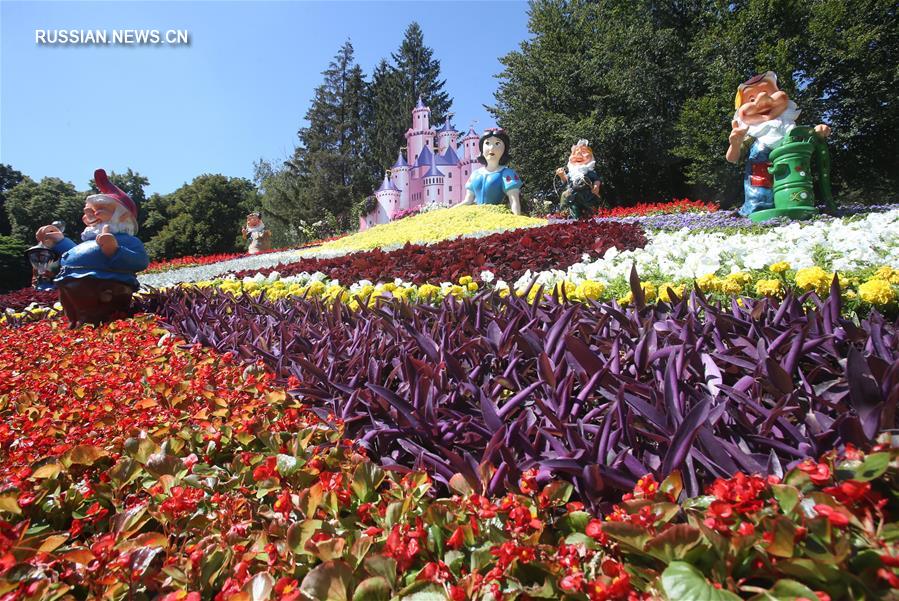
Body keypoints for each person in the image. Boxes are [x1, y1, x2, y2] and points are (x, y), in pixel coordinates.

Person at [35, 169, 149, 327]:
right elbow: (78, 254)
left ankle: (93, 324)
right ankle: (76, 324)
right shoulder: (89, 239)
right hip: (69, 282)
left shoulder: (127, 240)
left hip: (106, 286)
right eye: (88, 213)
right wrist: (60, 241)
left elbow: (141, 261)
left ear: (123, 216)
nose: (91, 217)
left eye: (99, 211)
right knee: (72, 310)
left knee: (93, 311)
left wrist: (115, 250)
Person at [726, 72, 830, 216]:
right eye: (751, 99)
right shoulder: (751, 135)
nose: (761, 101)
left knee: (797, 189)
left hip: (792, 181)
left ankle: (799, 206)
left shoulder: (790, 129)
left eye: (767, 93)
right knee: (760, 196)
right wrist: (735, 144)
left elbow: (807, 141)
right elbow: (732, 158)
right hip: (760, 186)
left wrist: (816, 133)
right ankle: (757, 210)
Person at [457, 128, 522, 215]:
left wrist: (516, 223)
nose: (491, 148)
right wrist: (448, 212)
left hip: (496, 217)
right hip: (477, 217)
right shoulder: (475, 174)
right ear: (481, 148)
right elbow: (468, 201)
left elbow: (514, 202)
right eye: (487, 143)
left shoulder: (507, 174)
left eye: (497, 143)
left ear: (504, 149)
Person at [555, 139, 602, 218]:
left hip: (586, 195)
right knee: (565, 197)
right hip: (572, 196)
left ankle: (590, 216)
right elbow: (566, 181)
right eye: (575, 153)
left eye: (583, 152)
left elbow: (597, 180)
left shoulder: (588, 172)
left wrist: (596, 186)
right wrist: (562, 175)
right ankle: (565, 214)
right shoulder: (572, 173)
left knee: (588, 210)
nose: (579, 155)